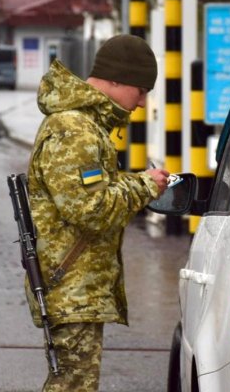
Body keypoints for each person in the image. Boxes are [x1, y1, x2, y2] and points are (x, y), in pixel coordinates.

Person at [26, 34, 169, 391]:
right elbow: (92, 210)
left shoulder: (84, 126)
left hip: (76, 285)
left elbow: (90, 194)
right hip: (72, 286)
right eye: (140, 89)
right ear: (116, 79)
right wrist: (146, 186)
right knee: (72, 386)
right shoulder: (76, 130)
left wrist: (133, 182)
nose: (141, 100)